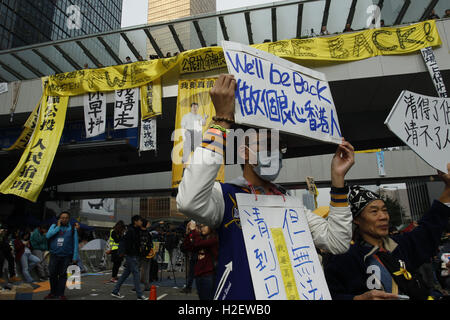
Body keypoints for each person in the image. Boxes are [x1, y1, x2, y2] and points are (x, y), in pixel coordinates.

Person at [176, 74, 356, 300]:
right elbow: (189, 200)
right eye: (267, 144)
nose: (276, 153)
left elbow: (337, 242)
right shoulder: (227, 197)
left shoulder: (289, 204)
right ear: (244, 151)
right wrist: (221, 121)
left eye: (280, 147)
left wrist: (338, 182)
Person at [323, 165, 450, 300]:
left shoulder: (400, 245)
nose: (383, 216)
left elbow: (429, 227)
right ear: (357, 220)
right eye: (374, 211)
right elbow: (330, 294)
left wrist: (448, 189)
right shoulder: (344, 257)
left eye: (384, 210)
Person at [111, 215, 148, 300]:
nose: (141, 222)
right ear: (135, 221)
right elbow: (125, 242)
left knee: (125, 274)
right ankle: (139, 295)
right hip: (131, 255)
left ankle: (115, 291)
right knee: (136, 274)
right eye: (140, 220)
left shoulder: (135, 230)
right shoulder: (130, 231)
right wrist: (127, 253)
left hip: (133, 255)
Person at [45, 211, 79, 300]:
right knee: (52, 274)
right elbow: (48, 236)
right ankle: (53, 293)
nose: (64, 219)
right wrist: (58, 227)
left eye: (66, 218)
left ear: (69, 219)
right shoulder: (54, 226)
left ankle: (60, 294)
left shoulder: (72, 229)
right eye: (62, 217)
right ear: (59, 219)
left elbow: (75, 244)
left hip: (66, 256)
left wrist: (75, 257)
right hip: (54, 255)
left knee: (63, 275)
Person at [183, 223, 218, 300]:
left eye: (205, 226)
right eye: (201, 227)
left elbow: (199, 243)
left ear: (211, 227)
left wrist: (193, 231)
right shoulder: (201, 239)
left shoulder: (214, 240)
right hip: (199, 275)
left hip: (209, 275)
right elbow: (187, 247)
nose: (202, 228)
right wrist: (188, 234)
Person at [180, 220, 198, 294]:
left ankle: (198, 287)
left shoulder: (198, 233)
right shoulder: (190, 234)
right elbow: (186, 245)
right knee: (191, 272)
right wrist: (187, 233)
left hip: (199, 254)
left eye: (189, 225)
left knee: (198, 272)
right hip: (193, 254)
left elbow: (196, 243)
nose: (189, 227)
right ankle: (188, 287)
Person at [138, 219, 153, 292]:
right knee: (146, 270)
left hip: (138, 253)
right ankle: (146, 286)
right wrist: (148, 251)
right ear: (146, 224)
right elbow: (150, 244)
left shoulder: (137, 232)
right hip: (146, 254)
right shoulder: (148, 233)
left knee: (136, 270)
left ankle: (136, 286)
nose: (149, 224)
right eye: (148, 223)